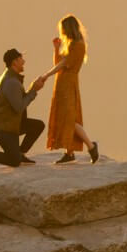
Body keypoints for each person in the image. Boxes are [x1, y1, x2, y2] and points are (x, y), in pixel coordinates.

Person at [0, 48, 48, 168]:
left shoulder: (13, 78)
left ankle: (20, 153)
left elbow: (19, 101)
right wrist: (34, 90)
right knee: (14, 161)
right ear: (14, 62)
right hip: (1, 127)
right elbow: (19, 107)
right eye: (21, 59)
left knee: (38, 126)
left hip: (12, 123)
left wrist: (33, 88)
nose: (24, 61)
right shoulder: (11, 82)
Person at [44, 14, 100, 163]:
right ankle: (69, 152)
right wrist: (56, 49)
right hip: (62, 83)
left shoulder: (78, 45)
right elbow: (59, 62)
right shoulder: (71, 45)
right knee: (66, 118)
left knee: (69, 119)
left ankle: (91, 146)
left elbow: (63, 65)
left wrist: (46, 75)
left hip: (68, 84)